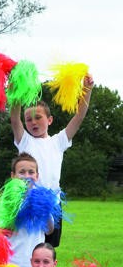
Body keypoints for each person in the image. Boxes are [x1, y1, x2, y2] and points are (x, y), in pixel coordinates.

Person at [10, 74, 94, 247]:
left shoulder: (58, 141)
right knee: (29, 247)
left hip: (53, 204)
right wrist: (16, 93)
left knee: (48, 251)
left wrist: (87, 91)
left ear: (49, 120)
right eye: (29, 119)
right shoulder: (24, 140)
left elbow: (79, 117)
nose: (33, 122)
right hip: (27, 203)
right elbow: (14, 118)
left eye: (38, 117)